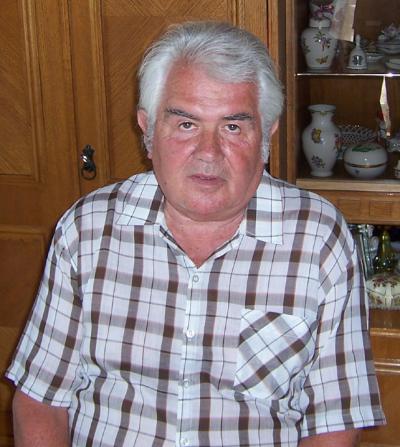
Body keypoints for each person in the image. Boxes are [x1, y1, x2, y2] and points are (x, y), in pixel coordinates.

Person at [6, 21, 385, 447]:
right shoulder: (87, 229)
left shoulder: (318, 238)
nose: (208, 153)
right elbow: (40, 400)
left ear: (267, 135)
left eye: (233, 127)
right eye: (186, 124)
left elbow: (332, 420)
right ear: (148, 130)